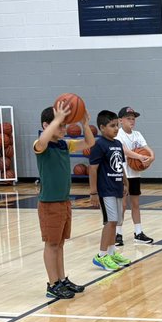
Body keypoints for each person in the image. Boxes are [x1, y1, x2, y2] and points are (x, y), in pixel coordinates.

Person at [34, 101, 95, 299]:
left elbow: (89, 143)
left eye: (64, 125)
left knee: (59, 244)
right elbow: (42, 142)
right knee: (51, 245)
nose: (64, 128)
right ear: (46, 125)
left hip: (63, 201)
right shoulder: (40, 144)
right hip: (49, 203)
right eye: (60, 125)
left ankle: (61, 280)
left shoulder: (63, 144)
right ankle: (52, 285)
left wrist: (85, 124)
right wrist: (57, 118)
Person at [87, 110, 131, 272]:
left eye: (117, 125)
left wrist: (126, 183)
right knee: (110, 222)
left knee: (116, 222)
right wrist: (93, 192)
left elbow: (120, 166)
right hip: (105, 190)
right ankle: (101, 255)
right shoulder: (99, 145)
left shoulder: (118, 144)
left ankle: (112, 253)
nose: (116, 129)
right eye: (112, 126)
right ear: (102, 127)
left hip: (117, 187)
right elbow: (93, 169)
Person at [116, 106, 155, 245]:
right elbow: (125, 151)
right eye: (128, 118)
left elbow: (147, 148)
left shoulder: (137, 134)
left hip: (135, 174)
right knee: (122, 204)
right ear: (120, 120)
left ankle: (138, 233)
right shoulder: (118, 134)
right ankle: (117, 234)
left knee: (136, 204)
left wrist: (151, 157)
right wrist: (140, 157)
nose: (132, 121)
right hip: (122, 173)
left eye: (133, 119)